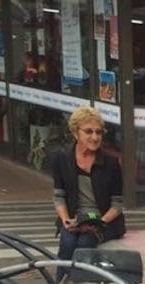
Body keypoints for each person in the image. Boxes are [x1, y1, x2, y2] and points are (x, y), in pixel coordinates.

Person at [51, 106, 125, 264]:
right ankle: (62, 280)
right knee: (68, 242)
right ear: (75, 132)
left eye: (99, 132)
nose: (95, 137)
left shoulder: (111, 163)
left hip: (103, 221)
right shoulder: (61, 159)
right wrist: (66, 221)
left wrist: (100, 223)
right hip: (73, 219)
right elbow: (59, 197)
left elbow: (117, 205)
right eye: (88, 131)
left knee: (85, 243)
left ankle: (79, 279)